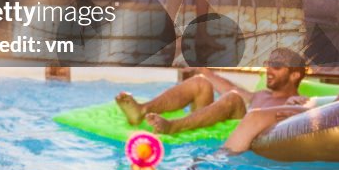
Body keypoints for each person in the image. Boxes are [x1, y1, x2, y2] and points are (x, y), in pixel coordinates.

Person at [223, 0, 339, 153]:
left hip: (336, 118)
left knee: (254, 119)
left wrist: (309, 111)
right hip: (335, 112)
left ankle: (219, 165)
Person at [115, 47, 306, 135]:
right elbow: (231, 88)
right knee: (200, 82)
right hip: (235, 121)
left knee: (233, 99)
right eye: (268, 65)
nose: (268, 70)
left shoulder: (300, 102)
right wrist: (203, 70)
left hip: (249, 137)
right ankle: (142, 111)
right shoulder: (262, 95)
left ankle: (173, 126)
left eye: (277, 66)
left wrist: (297, 108)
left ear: (295, 75)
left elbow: (317, 112)